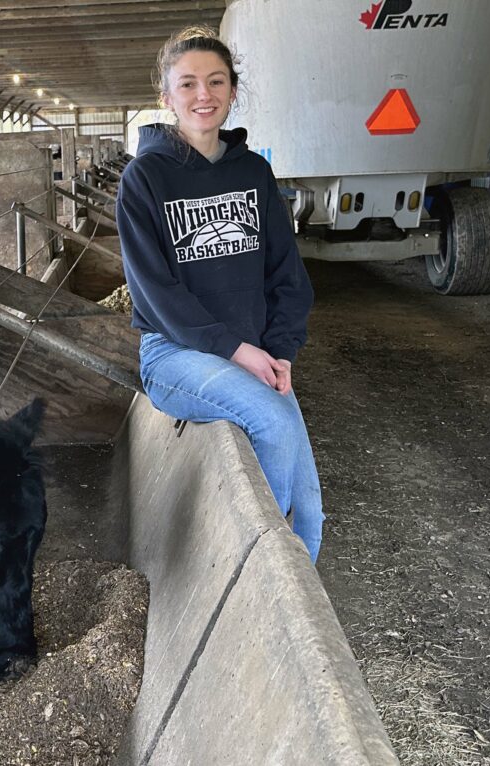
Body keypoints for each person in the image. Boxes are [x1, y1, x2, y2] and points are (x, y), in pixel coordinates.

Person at [116, 25, 324, 562]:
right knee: (274, 423)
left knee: (313, 512)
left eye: (215, 82)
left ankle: (287, 621)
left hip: (255, 353)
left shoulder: (253, 173)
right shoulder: (144, 179)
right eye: (187, 84)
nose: (202, 95)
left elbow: (287, 277)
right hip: (176, 355)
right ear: (166, 97)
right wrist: (237, 351)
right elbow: (156, 292)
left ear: (233, 91)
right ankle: (259, 570)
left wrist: (279, 348)